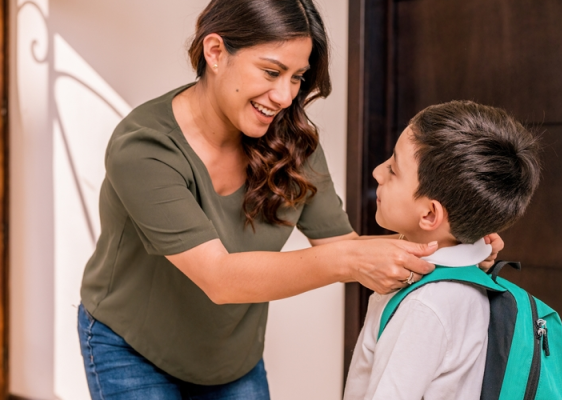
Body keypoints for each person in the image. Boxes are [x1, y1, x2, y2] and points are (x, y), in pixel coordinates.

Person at [77, 1, 503, 399]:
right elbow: (219, 278)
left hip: (231, 357)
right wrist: (351, 262)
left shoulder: (291, 139)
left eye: (297, 77)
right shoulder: (144, 147)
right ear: (215, 51)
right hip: (132, 349)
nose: (284, 97)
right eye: (271, 71)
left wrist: (452, 248)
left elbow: (339, 245)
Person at [343, 100, 540, 400]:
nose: (377, 172)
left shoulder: (424, 306)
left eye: (393, 170)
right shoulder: (469, 278)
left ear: (430, 215)